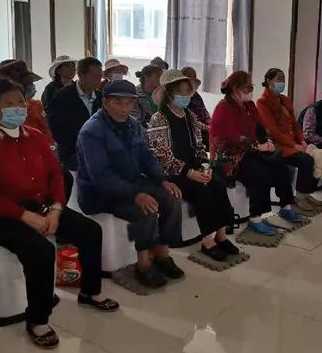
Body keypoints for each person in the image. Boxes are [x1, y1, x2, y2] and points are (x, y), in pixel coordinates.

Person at [0, 77, 119, 350]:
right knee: (41, 251)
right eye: (9, 104)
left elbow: (56, 176)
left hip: (40, 208)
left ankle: (90, 292)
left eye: (21, 102)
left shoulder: (34, 136)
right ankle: (38, 320)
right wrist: (26, 217)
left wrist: (56, 210)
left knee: (90, 231)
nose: (18, 108)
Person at [76, 79, 184, 289]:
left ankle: (162, 253)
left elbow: (146, 157)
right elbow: (101, 177)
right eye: (118, 102)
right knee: (147, 208)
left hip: (131, 182)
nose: (124, 108)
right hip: (99, 194)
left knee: (172, 197)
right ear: (105, 102)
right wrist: (136, 194)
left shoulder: (133, 124)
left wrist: (162, 180)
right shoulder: (92, 131)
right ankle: (143, 264)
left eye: (129, 102)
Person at [147, 70, 239, 262]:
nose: (186, 96)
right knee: (201, 190)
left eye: (188, 91)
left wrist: (205, 166)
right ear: (170, 93)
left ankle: (221, 235)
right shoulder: (159, 118)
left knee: (218, 183)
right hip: (173, 173)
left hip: (194, 167)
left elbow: (199, 146)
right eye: (181, 92)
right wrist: (189, 173)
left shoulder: (190, 116)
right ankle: (207, 241)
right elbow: (161, 156)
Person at [209, 71, 301, 236]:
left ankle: (285, 206)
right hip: (229, 157)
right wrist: (256, 146)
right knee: (260, 173)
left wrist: (266, 142)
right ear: (235, 89)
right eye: (248, 88)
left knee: (279, 161)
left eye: (251, 87)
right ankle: (255, 218)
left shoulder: (249, 106)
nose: (251, 91)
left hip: (250, 150)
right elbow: (230, 137)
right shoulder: (223, 108)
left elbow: (261, 128)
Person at [257, 68, 322, 196]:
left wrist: (302, 141)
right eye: (279, 79)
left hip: (292, 142)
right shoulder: (262, 102)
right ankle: (301, 196)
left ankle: (308, 195)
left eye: (283, 79)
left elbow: (295, 124)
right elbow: (273, 131)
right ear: (269, 81)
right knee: (306, 160)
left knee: (318, 156)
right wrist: (294, 145)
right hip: (278, 144)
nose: (282, 82)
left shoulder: (285, 100)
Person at [0, 59, 54, 145]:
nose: (31, 85)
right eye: (27, 82)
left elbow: (46, 136)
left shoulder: (35, 105)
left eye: (30, 82)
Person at [48, 57, 103, 171]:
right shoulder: (62, 97)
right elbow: (57, 131)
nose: (98, 81)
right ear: (81, 75)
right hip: (73, 154)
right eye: (94, 77)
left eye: (100, 77)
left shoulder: (100, 97)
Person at [180, 66, 211, 149]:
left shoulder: (196, 95)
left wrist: (211, 124)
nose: (192, 78)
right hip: (193, 130)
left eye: (194, 76)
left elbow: (204, 112)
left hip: (204, 127)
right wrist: (207, 127)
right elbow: (189, 119)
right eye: (189, 76)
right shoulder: (181, 98)